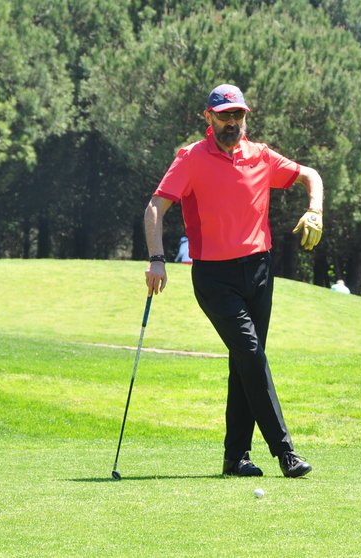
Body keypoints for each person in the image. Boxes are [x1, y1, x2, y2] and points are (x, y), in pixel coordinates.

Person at [144, 84, 323, 478]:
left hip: (259, 270)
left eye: (238, 115)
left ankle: (235, 458)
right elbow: (156, 206)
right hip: (215, 275)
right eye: (224, 115)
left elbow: (310, 175)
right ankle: (286, 453)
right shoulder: (191, 158)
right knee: (251, 354)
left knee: (245, 360)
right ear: (209, 118)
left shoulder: (260, 155)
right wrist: (157, 259)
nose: (232, 122)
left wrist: (315, 210)